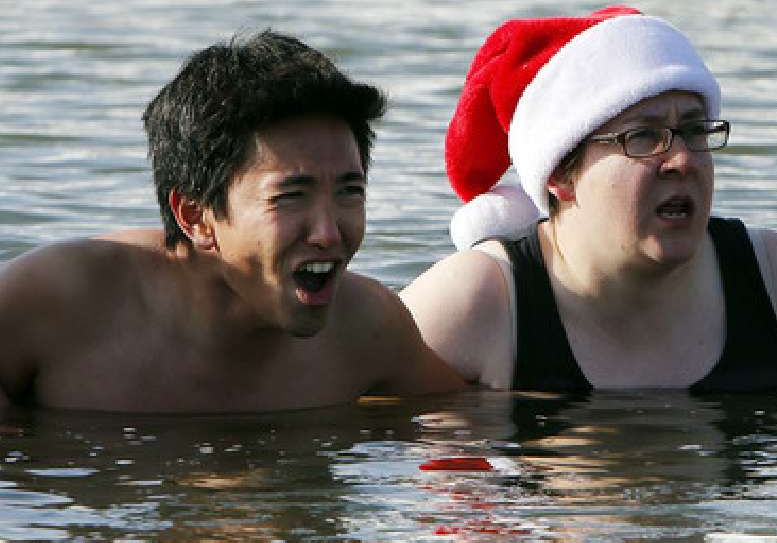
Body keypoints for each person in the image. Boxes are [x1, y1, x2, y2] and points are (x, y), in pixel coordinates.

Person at [401, 6, 777, 391]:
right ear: (561, 173)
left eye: (695, 130)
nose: (682, 160)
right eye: (644, 136)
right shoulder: (475, 302)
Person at [0, 30, 463, 411]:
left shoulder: (367, 325)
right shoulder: (56, 301)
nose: (328, 232)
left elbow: (466, 425)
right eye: (291, 196)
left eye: (349, 192)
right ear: (196, 216)